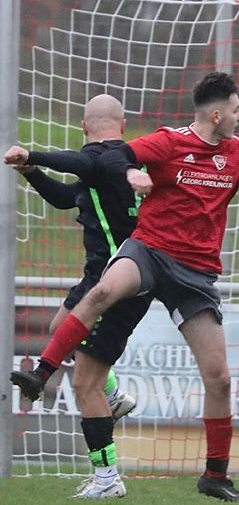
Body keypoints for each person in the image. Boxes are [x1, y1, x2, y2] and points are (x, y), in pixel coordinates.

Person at [10, 72, 239, 502]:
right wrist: (134, 173)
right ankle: (41, 374)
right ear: (217, 113)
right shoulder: (169, 141)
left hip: (195, 274)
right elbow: (115, 158)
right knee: (98, 293)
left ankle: (215, 476)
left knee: (221, 379)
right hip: (149, 251)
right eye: (236, 108)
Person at [5, 95, 150, 500]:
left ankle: (107, 479)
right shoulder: (107, 168)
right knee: (59, 330)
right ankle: (115, 394)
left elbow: (80, 163)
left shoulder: (106, 158)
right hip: (96, 278)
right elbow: (65, 197)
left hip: (117, 284)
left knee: (86, 382)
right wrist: (32, 171)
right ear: (122, 123)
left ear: (85, 128)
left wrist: (32, 152)